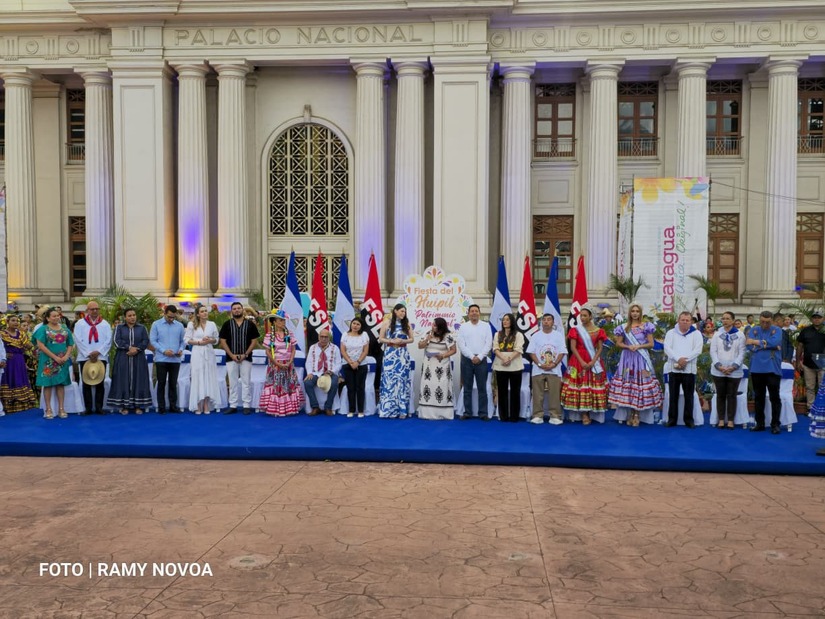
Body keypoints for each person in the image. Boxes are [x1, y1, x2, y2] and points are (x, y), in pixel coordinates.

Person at [608, 303, 662, 427]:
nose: (635, 313)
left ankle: (637, 414)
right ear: (630, 313)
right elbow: (618, 343)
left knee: (640, 384)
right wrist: (628, 346)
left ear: (640, 313)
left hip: (641, 359)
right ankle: (630, 413)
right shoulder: (623, 327)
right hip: (627, 360)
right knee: (628, 383)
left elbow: (651, 344)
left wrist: (639, 346)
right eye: (633, 311)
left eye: (637, 311)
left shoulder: (646, 326)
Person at [560, 306, 608, 425]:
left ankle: (592, 411)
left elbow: (600, 348)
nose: (582, 318)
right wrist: (581, 361)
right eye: (581, 315)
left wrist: (593, 362)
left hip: (594, 360)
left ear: (591, 316)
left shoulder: (599, 331)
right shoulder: (575, 330)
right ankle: (583, 414)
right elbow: (573, 347)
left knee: (592, 385)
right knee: (579, 384)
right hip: (577, 361)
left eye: (585, 315)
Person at [259, 309, 304, 416]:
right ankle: (276, 409)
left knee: (288, 385)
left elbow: (293, 349)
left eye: (284, 320)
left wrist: (290, 361)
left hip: (288, 364)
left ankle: (289, 408)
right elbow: (268, 351)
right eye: (280, 320)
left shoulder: (289, 334)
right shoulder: (269, 335)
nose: (283, 322)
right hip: (275, 365)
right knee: (276, 386)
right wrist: (277, 363)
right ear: (274, 322)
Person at [32, 307, 75, 419]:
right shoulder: (43, 329)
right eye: (54, 316)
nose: (56, 317)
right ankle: (48, 409)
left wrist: (66, 356)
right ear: (48, 318)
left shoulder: (65, 328)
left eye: (58, 315)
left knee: (60, 384)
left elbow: (70, 343)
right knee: (48, 385)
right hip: (48, 361)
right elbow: (40, 345)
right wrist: (55, 357)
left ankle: (61, 408)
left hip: (62, 361)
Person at [663, 311, 704, 428]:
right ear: (678, 320)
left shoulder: (696, 334)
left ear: (691, 322)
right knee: (673, 395)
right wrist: (678, 359)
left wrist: (685, 360)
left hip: (689, 369)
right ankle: (672, 419)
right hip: (674, 369)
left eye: (687, 320)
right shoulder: (671, 333)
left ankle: (689, 420)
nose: (685, 322)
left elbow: (698, 350)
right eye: (683, 320)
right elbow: (667, 348)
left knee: (689, 396)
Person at [745, 310, 784, 434]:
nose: (765, 324)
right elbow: (748, 345)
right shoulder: (754, 330)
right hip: (756, 368)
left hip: (772, 368)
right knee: (758, 397)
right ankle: (760, 423)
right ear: (759, 320)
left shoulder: (777, 330)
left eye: (767, 322)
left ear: (772, 321)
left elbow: (775, 342)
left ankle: (775, 424)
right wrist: (769, 345)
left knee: (774, 397)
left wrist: (756, 342)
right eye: (762, 322)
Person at [108, 308, 152, 415]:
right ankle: (124, 406)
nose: (132, 317)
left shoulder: (142, 328)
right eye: (129, 315)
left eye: (134, 315)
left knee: (138, 379)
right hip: (123, 356)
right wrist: (129, 348)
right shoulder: (119, 327)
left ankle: (138, 406)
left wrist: (137, 349)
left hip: (139, 357)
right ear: (125, 317)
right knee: (123, 379)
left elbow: (145, 341)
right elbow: (116, 341)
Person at [219, 301, 260, 414]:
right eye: (234, 309)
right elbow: (223, 341)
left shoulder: (250, 324)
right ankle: (233, 405)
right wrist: (231, 355)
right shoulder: (227, 324)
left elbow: (254, 341)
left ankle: (246, 405)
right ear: (231, 311)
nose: (237, 310)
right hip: (231, 358)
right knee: (233, 383)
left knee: (246, 382)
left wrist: (245, 354)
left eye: (238, 308)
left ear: (242, 310)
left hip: (246, 358)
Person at [73, 300, 112, 415]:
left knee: (100, 382)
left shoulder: (105, 324)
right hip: (85, 357)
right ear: (87, 310)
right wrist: (88, 353)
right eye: (92, 309)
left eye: (96, 309)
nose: (95, 311)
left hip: (100, 357)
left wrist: (98, 352)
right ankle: (88, 408)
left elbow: (108, 340)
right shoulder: (80, 323)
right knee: (86, 383)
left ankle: (99, 407)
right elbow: (77, 339)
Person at [526, 313, 567, 425]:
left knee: (554, 393)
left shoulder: (558, 335)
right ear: (541, 322)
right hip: (538, 369)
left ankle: (555, 416)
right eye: (544, 320)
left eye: (549, 319)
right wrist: (539, 364)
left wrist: (554, 363)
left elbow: (562, 351)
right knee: (537, 393)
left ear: (553, 322)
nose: (546, 322)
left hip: (554, 369)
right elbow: (531, 352)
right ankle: (537, 415)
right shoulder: (536, 335)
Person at [709, 311, 745, 429]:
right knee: (720, 395)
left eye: (728, 318)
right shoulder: (717, 334)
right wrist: (719, 366)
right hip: (719, 370)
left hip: (734, 371)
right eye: (723, 318)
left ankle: (730, 420)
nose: (725, 321)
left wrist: (733, 366)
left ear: (733, 320)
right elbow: (713, 351)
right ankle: (720, 419)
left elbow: (742, 352)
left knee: (731, 395)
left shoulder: (740, 335)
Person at [456, 304, 492, 420]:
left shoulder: (486, 326)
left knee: (482, 388)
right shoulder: (463, 327)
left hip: (481, 360)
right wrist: (472, 356)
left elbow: (488, 343)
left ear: (479, 313)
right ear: (468, 314)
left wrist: (480, 356)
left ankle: (483, 413)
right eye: (472, 311)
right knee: (467, 388)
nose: (474, 313)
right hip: (467, 360)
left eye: (476, 311)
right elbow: (461, 344)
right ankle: (467, 412)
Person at [377, 303, 414, 418]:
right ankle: (387, 409)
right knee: (389, 380)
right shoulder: (386, 322)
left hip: (402, 354)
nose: (403, 313)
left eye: (405, 311)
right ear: (395, 311)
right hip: (390, 353)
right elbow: (381, 338)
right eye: (402, 311)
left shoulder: (406, 323)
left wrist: (403, 341)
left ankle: (402, 410)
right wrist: (391, 341)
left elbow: (412, 339)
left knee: (402, 380)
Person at [418, 316, 457, 421]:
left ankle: (443, 412)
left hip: (442, 365)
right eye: (432, 324)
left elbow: (454, 350)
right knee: (428, 385)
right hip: (429, 365)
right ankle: (426, 412)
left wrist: (443, 355)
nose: (433, 326)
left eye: (435, 325)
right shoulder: (428, 333)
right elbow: (420, 346)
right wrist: (427, 339)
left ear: (440, 326)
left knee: (442, 386)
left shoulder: (448, 336)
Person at [185, 304, 221, 414]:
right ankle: (197, 404)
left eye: (206, 311)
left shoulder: (212, 324)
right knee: (197, 377)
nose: (205, 313)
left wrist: (210, 340)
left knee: (208, 377)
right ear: (197, 314)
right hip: (197, 352)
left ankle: (206, 404)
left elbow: (216, 339)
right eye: (202, 311)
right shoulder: (191, 324)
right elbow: (186, 340)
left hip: (209, 353)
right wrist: (199, 342)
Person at [150, 305, 185, 414]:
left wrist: (181, 349)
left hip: (175, 359)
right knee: (161, 383)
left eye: (173, 317)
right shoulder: (156, 324)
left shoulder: (179, 326)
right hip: (161, 358)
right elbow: (153, 340)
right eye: (169, 317)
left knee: (173, 383)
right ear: (164, 313)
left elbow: (183, 341)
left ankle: (173, 406)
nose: (171, 319)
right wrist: (163, 351)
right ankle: (161, 407)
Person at [0, 314, 38, 414]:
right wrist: (3, 355)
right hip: (8, 362)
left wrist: (38, 341)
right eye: (13, 320)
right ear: (7, 322)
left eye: (17, 321)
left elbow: (29, 346)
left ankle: (23, 405)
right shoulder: (2, 334)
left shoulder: (21, 334)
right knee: (8, 380)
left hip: (19, 360)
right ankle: (8, 406)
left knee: (19, 379)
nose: (16, 323)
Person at [492, 313, 524, 422]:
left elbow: (519, 349)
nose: (505, 321)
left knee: (515, 392)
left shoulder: (518, 335)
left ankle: (514, 416)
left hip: (515, 366)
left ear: (512, 321)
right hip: (500, 366)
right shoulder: (497, 334)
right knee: (502, 392)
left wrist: (509, 359)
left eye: (507, 319)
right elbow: (495, 348)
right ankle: (503, 416)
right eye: (503, 320)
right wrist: (503, 358)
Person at [304, 328, 342, 416]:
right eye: (322, 336)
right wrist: (309, 373)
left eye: (326, 337)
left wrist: (332, 371)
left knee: (334, 383)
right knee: (307, 383)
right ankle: (315, 407)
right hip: (316, 373)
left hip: (330, 373)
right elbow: (308, 362)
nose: (323, 339)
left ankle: (328, 407)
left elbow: (339, 363)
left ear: (329, 338)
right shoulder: (312, 347)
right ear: (318, 337)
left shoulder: (335, 348)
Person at [796, 310, 825, 413]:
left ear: (823, 319)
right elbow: (800, 346)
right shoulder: (805, 330)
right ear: (812, 319)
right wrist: (798, 361)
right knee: (810, 387)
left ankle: (822, 408)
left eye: (819, 317)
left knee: (823, 388)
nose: (817, 319)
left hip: (823, 364)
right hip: (808, 364)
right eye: (815, 317)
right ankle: (810, 408)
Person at [340, 316, 370, 418]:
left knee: (360, 388)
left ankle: (361, 410)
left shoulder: (364, 335)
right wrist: (350, 362)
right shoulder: (345, 335)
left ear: (361, 326)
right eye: (354, 323)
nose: (355, 326)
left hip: (361, 365)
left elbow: (365, 351)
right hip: (347, 364)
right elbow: (343, 350)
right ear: (351, 324)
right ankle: (351, 410)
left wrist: (358, 362)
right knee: (350, 388)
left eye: (358, 324)